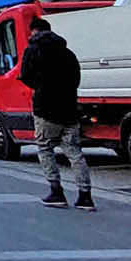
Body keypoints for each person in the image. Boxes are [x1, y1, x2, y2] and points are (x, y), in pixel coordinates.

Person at [17, 14, 92, 209]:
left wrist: (40, 87)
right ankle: (85, 195)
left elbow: (25, 76)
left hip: (45, 107)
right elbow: (76, 78)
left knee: (45, 147)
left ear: (33, 31)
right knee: (74, 152)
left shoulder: (32, 50)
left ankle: (56, 191)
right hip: (69, 106)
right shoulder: (67, 53)